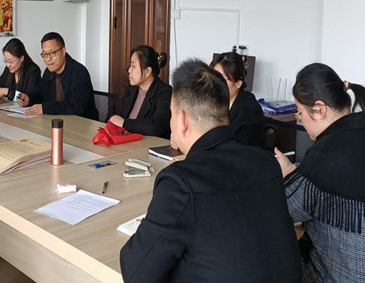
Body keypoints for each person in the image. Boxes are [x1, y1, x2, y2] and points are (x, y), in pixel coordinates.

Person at [120, 59, 301, 282]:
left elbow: (136, 272)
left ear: (182, 120)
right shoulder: (266, 162)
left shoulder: (181, 183)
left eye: (171, 114)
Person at [274, 63, 365, 282]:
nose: (300, 120)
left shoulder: (327, 152)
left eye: (299, 113)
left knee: (274, 258)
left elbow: (284, 211)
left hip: (353, 275)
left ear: (320, 109)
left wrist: (288, 175)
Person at [17, 32, 99, 120]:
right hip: (56, 121)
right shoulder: (48, 72)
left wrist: (45, 108)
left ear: (63, 51)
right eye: (45, 54)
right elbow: (40, 93)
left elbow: (76, 107)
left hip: (82, 123)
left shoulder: (80, 72)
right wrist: (29, 99)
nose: (48, 59)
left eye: (52, 53)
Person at [109, 45, 171, 138]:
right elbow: (119, 118)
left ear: (147, 71)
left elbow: (156, 127)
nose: (129, 70)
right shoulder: (131, 89)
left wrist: (124, 123)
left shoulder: (165, 92)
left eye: (133, 66)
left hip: (150, 145)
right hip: (127, 142)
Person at [212, 51, 265, 146]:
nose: (215, 84)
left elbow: (241, 147)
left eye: (221, 79)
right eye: (213, 77)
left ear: (238, 84)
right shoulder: (210, 100)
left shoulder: (250, 109)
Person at [0, 38, 41, 102]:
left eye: (10, 61)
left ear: (21, 58)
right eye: (6, 61)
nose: (8, 65)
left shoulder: (33, 71)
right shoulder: (8, 70)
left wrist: (7, 92)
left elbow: (28, 99)